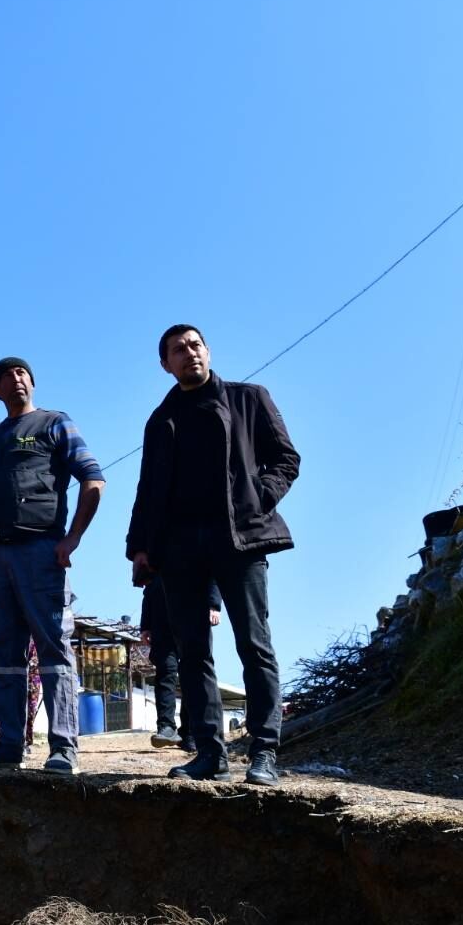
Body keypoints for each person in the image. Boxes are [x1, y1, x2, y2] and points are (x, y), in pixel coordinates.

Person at [127, 324, 300, 787]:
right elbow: (148, 488)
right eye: (178, 350)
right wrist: (139, 546)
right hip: (179, 547)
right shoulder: (161, 419)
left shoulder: (248, 398)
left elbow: (286, 459)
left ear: (207, 350)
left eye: (195, 345)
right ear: (166, 365)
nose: (190, 353)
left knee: (254, 644)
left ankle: (264, 753)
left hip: (238, 538)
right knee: (192, 653)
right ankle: (209, 754)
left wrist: (258, 498)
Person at [0, 358, 105, 773]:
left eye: (22, 373)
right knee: (3, 652)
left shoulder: (55, 423)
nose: (16, 379)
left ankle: (63, 748)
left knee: (54, 649)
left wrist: (73, 537)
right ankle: (9, 744)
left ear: (33, 383)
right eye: (7, 376)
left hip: (42, 551)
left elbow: (93, 479)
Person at [140, 579, 221, 752]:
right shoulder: (159, 562)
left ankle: (189, 733)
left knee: (193, 674)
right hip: (162, 621)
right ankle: (166, 727)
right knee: (165, 672)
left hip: (193, 617)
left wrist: (214, 604)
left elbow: (212, 574)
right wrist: (145, 625)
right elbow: (150, 586)